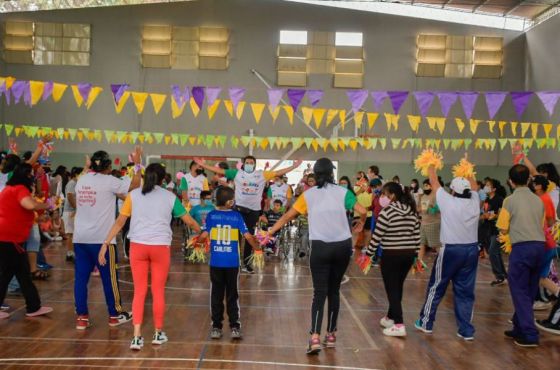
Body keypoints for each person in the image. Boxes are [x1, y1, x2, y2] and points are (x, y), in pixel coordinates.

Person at [98, 163, 203, 350]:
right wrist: (202, 231)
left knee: (139, 291)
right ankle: (157, 333)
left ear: (146, 177)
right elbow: (189, 221)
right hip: (160, 248)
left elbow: (120, 221)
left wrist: (105, 243)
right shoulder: (170, 197)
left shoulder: (133, 195)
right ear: (163, 179)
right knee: (158, 291)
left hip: (137, 247)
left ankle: (137, 337)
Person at [268, 158, 367, 355]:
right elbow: (363, 210)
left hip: (320, 247)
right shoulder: (343, 192)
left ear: (315, 174)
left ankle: (314, 337)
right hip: (342, 246)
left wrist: (269, 233)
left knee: (319, 293)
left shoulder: (308, 194)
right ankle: (331, 335)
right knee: (334, 291)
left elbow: (288, 216)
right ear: (332, 173)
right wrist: (361, 222)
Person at [194, 156, 302, 273]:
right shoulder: (237, 173)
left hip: (254, 211)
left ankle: (246, 263)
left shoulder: (262, 174)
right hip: (238, 210)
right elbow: (220, 171)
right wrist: (203, 165)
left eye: (251, 162)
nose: (249, 164)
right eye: (247, 162)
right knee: (236, 237)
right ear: (243, 164)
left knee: (249, 236)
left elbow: (278, 172)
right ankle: (235, 262)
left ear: (254, 165)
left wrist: (294, 166)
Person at [73, 148, 142, 330]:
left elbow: (88, 174)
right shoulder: (110, 181)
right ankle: (115, 314)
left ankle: (81, 317)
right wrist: (138, 163)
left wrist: (86, 167)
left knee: (80, 278)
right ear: (108, 166)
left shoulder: (81, 180)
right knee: (109, 278)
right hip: (102, 240)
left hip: (80, 238)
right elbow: (135, 185)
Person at [415, 163, 480, 341]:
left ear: (452, 190)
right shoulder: (474, 201)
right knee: (466, 291)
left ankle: (426, 322)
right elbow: (474, 186)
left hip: (451, 250)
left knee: (437, 285)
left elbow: (434, 182)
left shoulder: (448, 201)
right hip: (471, 250)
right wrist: (468, 169)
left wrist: (430, 165)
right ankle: (466, 330)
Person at [199, 186, 259, 340]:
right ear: (229, 202)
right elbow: (248, 236)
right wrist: (258, 249)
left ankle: (216, 327)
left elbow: (203, 235)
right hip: (232, 263)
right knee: (233, 294)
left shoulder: (211, 215)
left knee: (216, 294)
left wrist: (196, 243)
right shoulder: (237, 216)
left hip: (216, 262)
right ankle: (235, 326)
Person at [497, 164, 546, 347]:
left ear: (510, 181)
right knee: (530, 289)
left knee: (519, 291)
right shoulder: (538, 200)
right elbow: (540, 224)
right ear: (528, 180)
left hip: (522, 248)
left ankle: (530, 334)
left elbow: (502, 227)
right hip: (539, 247)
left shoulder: (509, 201)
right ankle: (519, 326)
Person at [366, 182, 421, 337]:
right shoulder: (412, 211)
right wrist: (416, 255)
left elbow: (377, 236)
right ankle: (390, 317)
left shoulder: (387, 212)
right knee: (397, 286)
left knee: (392, 288)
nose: (382, 197)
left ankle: (399, 324)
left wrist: (368, 255)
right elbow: (417, 235)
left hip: (392, 255)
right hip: (408, 255)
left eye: (384, 194)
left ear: (392, 196)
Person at [0, 163, 54, 320]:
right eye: (31, 174)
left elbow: (20, 211)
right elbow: (29, 205)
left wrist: (38, 216)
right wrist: (46, 205)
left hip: (9, 239)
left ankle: (33, 306)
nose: (33, 177)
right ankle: (33, 306)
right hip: (9, 239)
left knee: (19, 274)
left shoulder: (10, 189)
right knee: (12, 274)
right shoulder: (19, 189)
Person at [531, 175, 558, 311]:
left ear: (539, 186)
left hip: (545, 243)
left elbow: (550, 220)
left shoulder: (544, 199)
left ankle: (544, 299)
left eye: (533, 183)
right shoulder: (541, 198)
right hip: (544, 242)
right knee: (538, 276)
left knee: (539, 277)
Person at [480, 178, 507, 286]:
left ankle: (499, 276)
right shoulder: (487, 199)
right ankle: (503, 275)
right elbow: (485, 213)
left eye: (488, 185)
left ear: (494, 188)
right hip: (489, 229)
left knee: (492, 252)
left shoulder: (499, 199)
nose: (486, 187)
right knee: (495, 253)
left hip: (498, 229)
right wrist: (483, 216)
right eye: (485, 185)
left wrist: (494, 216)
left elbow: (502, 214)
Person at [417, 179, 441, 263]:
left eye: (426, 185)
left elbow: (438, 210)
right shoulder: (423, 196)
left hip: (433, 223)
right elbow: (421, 209)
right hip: (424, 223)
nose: (425, 187)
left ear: (431, 186)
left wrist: (430, 208)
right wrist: (419, 209)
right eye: (424, 186)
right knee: (421, 243)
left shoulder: (436, 196)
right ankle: (419, 263)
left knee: (436, 245)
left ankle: (445, 261)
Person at [63, 167, 83, 262]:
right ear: (76, 174)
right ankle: (70, 253)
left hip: (73, 211)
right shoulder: (72, 183)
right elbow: (70, 196)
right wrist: (76, 208)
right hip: (70, 211)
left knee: (73, 233)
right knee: (70, 234)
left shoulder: (76, 183)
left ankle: (72, 252)